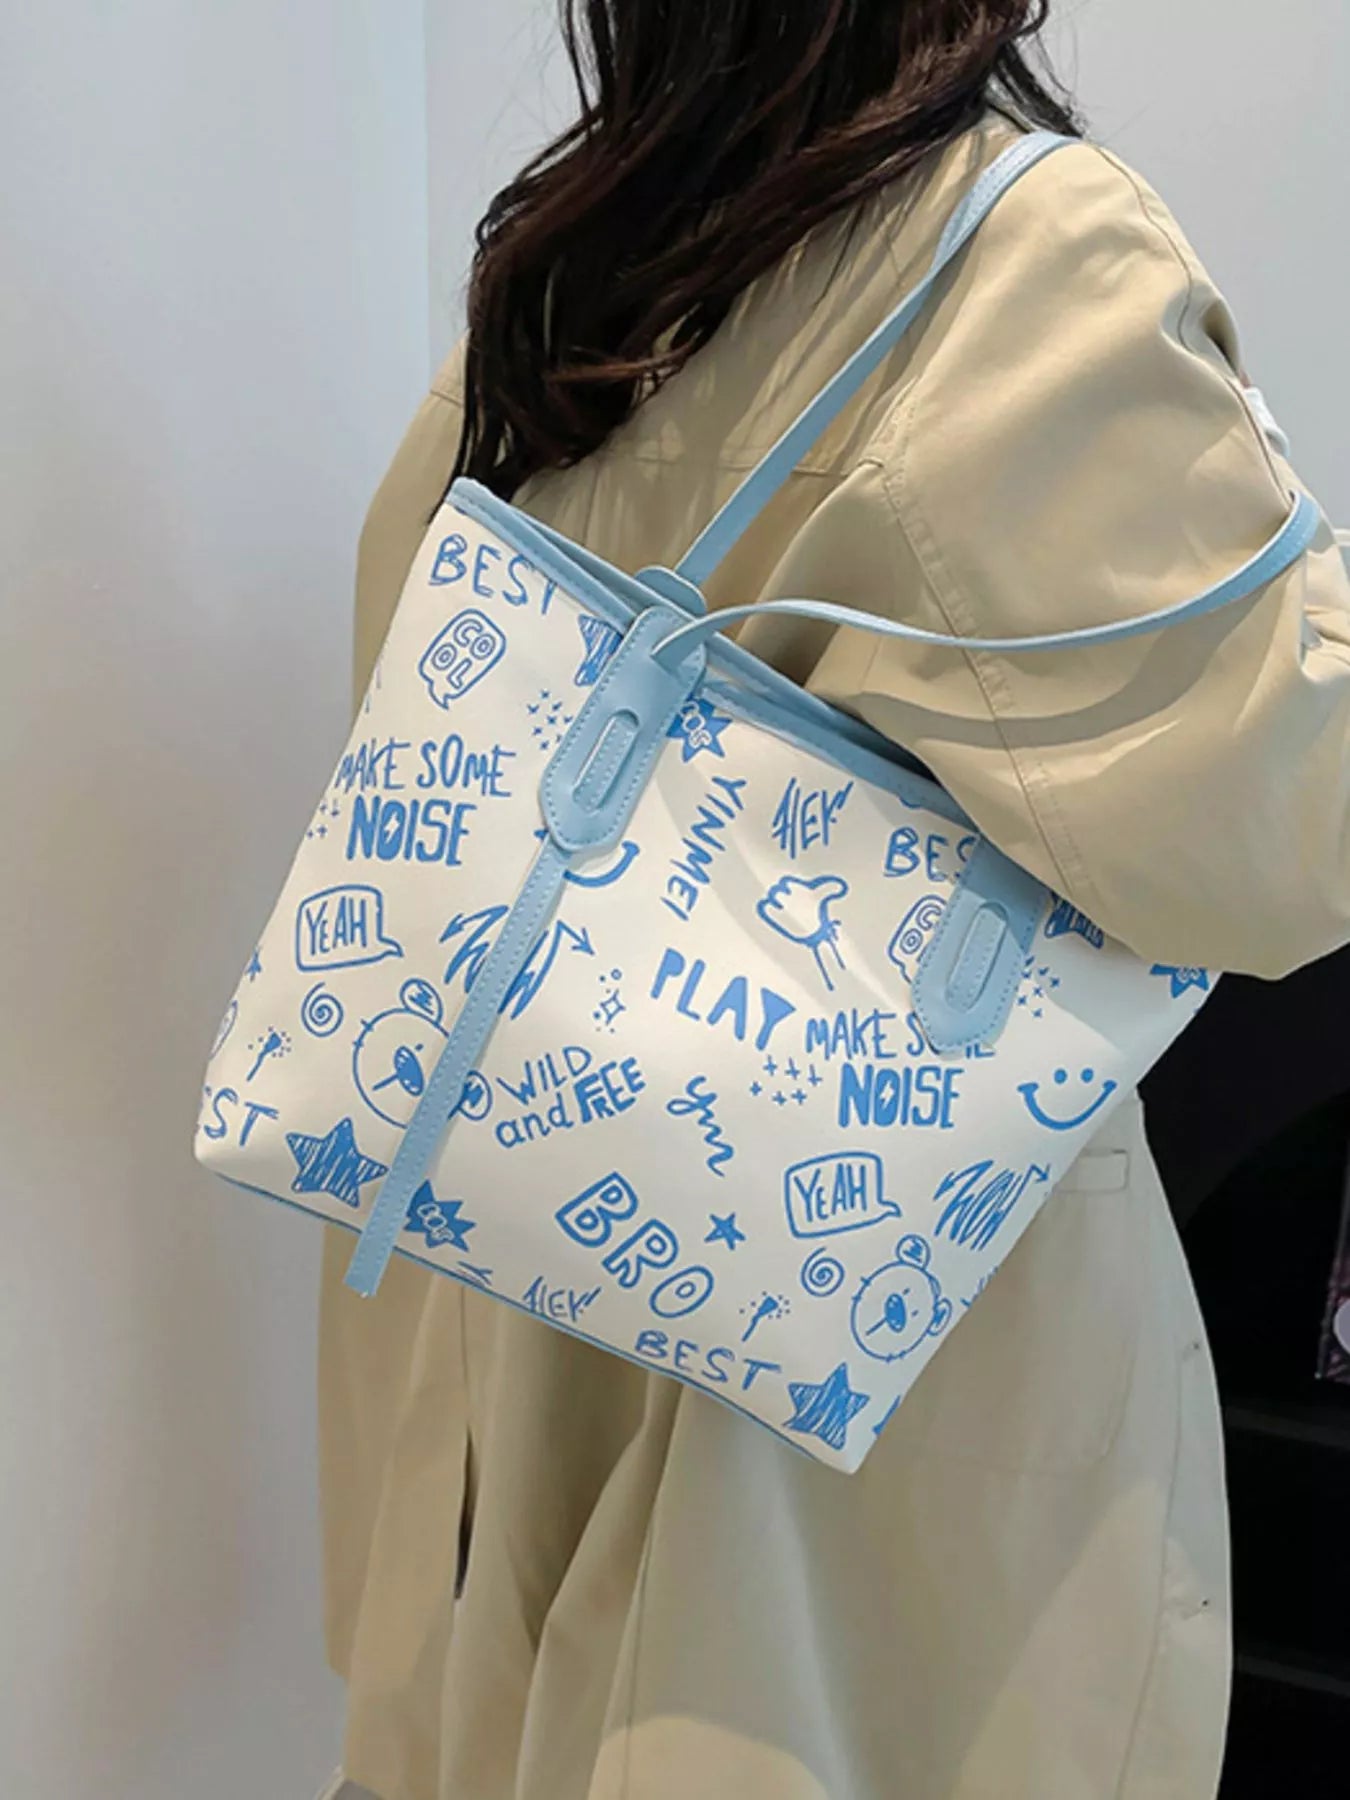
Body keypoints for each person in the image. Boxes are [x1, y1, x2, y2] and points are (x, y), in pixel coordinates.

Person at [314, 5, 1350, 1797]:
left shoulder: (570, 271)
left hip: (512, 1297)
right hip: (862, 1379)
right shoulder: (1025, 254)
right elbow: (1284, 836)